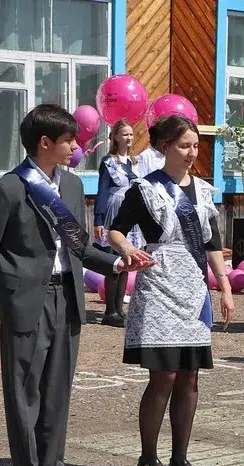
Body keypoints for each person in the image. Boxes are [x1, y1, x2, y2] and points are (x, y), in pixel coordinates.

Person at [0, 104, 152, 466]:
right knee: (24, 393)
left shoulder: (71, 186)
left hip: (67, 297)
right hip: (27, 301)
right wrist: (17, 274)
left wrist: (116, 263)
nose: (75, 148)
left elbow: (77, 244)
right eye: (68, 141)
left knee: (57, 391)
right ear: (44, 142)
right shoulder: (10, 189)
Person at [108, 115, 235, 466]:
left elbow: (212, 243)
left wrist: (224, 286)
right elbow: (116, 229)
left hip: (193, 289)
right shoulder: (146, 189)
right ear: (165, 147)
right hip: (159, 284)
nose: (192, 152)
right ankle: (147, 461)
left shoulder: (204, 192)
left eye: (195, 145)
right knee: (163, 376)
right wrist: (127, 248)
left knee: (190, 376)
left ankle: (181, 457)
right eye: (184, 146)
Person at [94, 120, 141, 327]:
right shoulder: (109, 162)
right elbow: (102, 190)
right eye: (124, 134)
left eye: (131, 134)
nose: (129, 138)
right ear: (115, 137)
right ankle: (110, 311)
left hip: (130, 212)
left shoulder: (134, 162)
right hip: (113, 210)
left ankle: (119, 309)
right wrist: (99, 219)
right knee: (114, 262)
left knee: (126, 261)